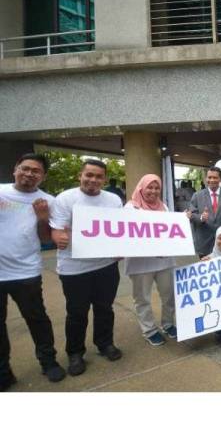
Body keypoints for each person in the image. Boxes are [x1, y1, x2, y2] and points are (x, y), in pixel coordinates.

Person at [50, 159, 123, 376]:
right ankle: (75, 353)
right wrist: (58, 238)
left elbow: (120, 229)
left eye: (98, 176)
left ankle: (104, 343)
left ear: (104, 179)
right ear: (80, 175)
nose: (93, 180)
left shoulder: (113, 200)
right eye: (89, 175)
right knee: (76, 313)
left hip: (106, 266)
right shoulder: (65, 199)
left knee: (104, 308)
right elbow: (56, 229)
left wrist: (121, 247)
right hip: (74, 268)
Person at [0, 154, 66, 391]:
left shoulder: (48, 200)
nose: (29, 174)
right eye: (25, 169)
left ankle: (49, 362)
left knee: (37, 319)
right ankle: (3, 372)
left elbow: (47, 239)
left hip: (26, 272)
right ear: (15, 169)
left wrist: (42, 219)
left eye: (35, 171)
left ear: (43, 176)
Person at [124, 174, 177, 346]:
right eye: (150, 187)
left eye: (156, 188)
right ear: (141, 188)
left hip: (165, 261)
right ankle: (149, 330)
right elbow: (129, 237)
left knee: (169, 295)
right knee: (143, 298)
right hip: (141, 264)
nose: (153, 191)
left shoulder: (164, 207)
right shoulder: (131, 208)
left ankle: (168, 324)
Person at [187, 167, 221, 258]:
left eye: (215, 178)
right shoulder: (197, 195)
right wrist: (201, 218)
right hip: (204, 241)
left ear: (220, 179)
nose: (212, 180)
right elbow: (191, 215)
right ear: (206, 178)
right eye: (209, 177)